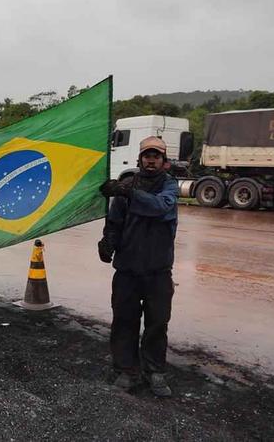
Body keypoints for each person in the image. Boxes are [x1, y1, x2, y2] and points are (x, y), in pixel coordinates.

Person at [97, 136, 179, 397]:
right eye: (147, 155)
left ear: (164, 162)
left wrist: (128, 191)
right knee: (124, 321)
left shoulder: (170, 187)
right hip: (127, 270)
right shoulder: (126, 187)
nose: (151, 160)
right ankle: (127, 370)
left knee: (157, 324)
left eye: (156, 156)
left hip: (158, 271)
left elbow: (158, 208)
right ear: (140, 159)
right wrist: (108, 242)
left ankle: (155, 371)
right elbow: (115, 221)